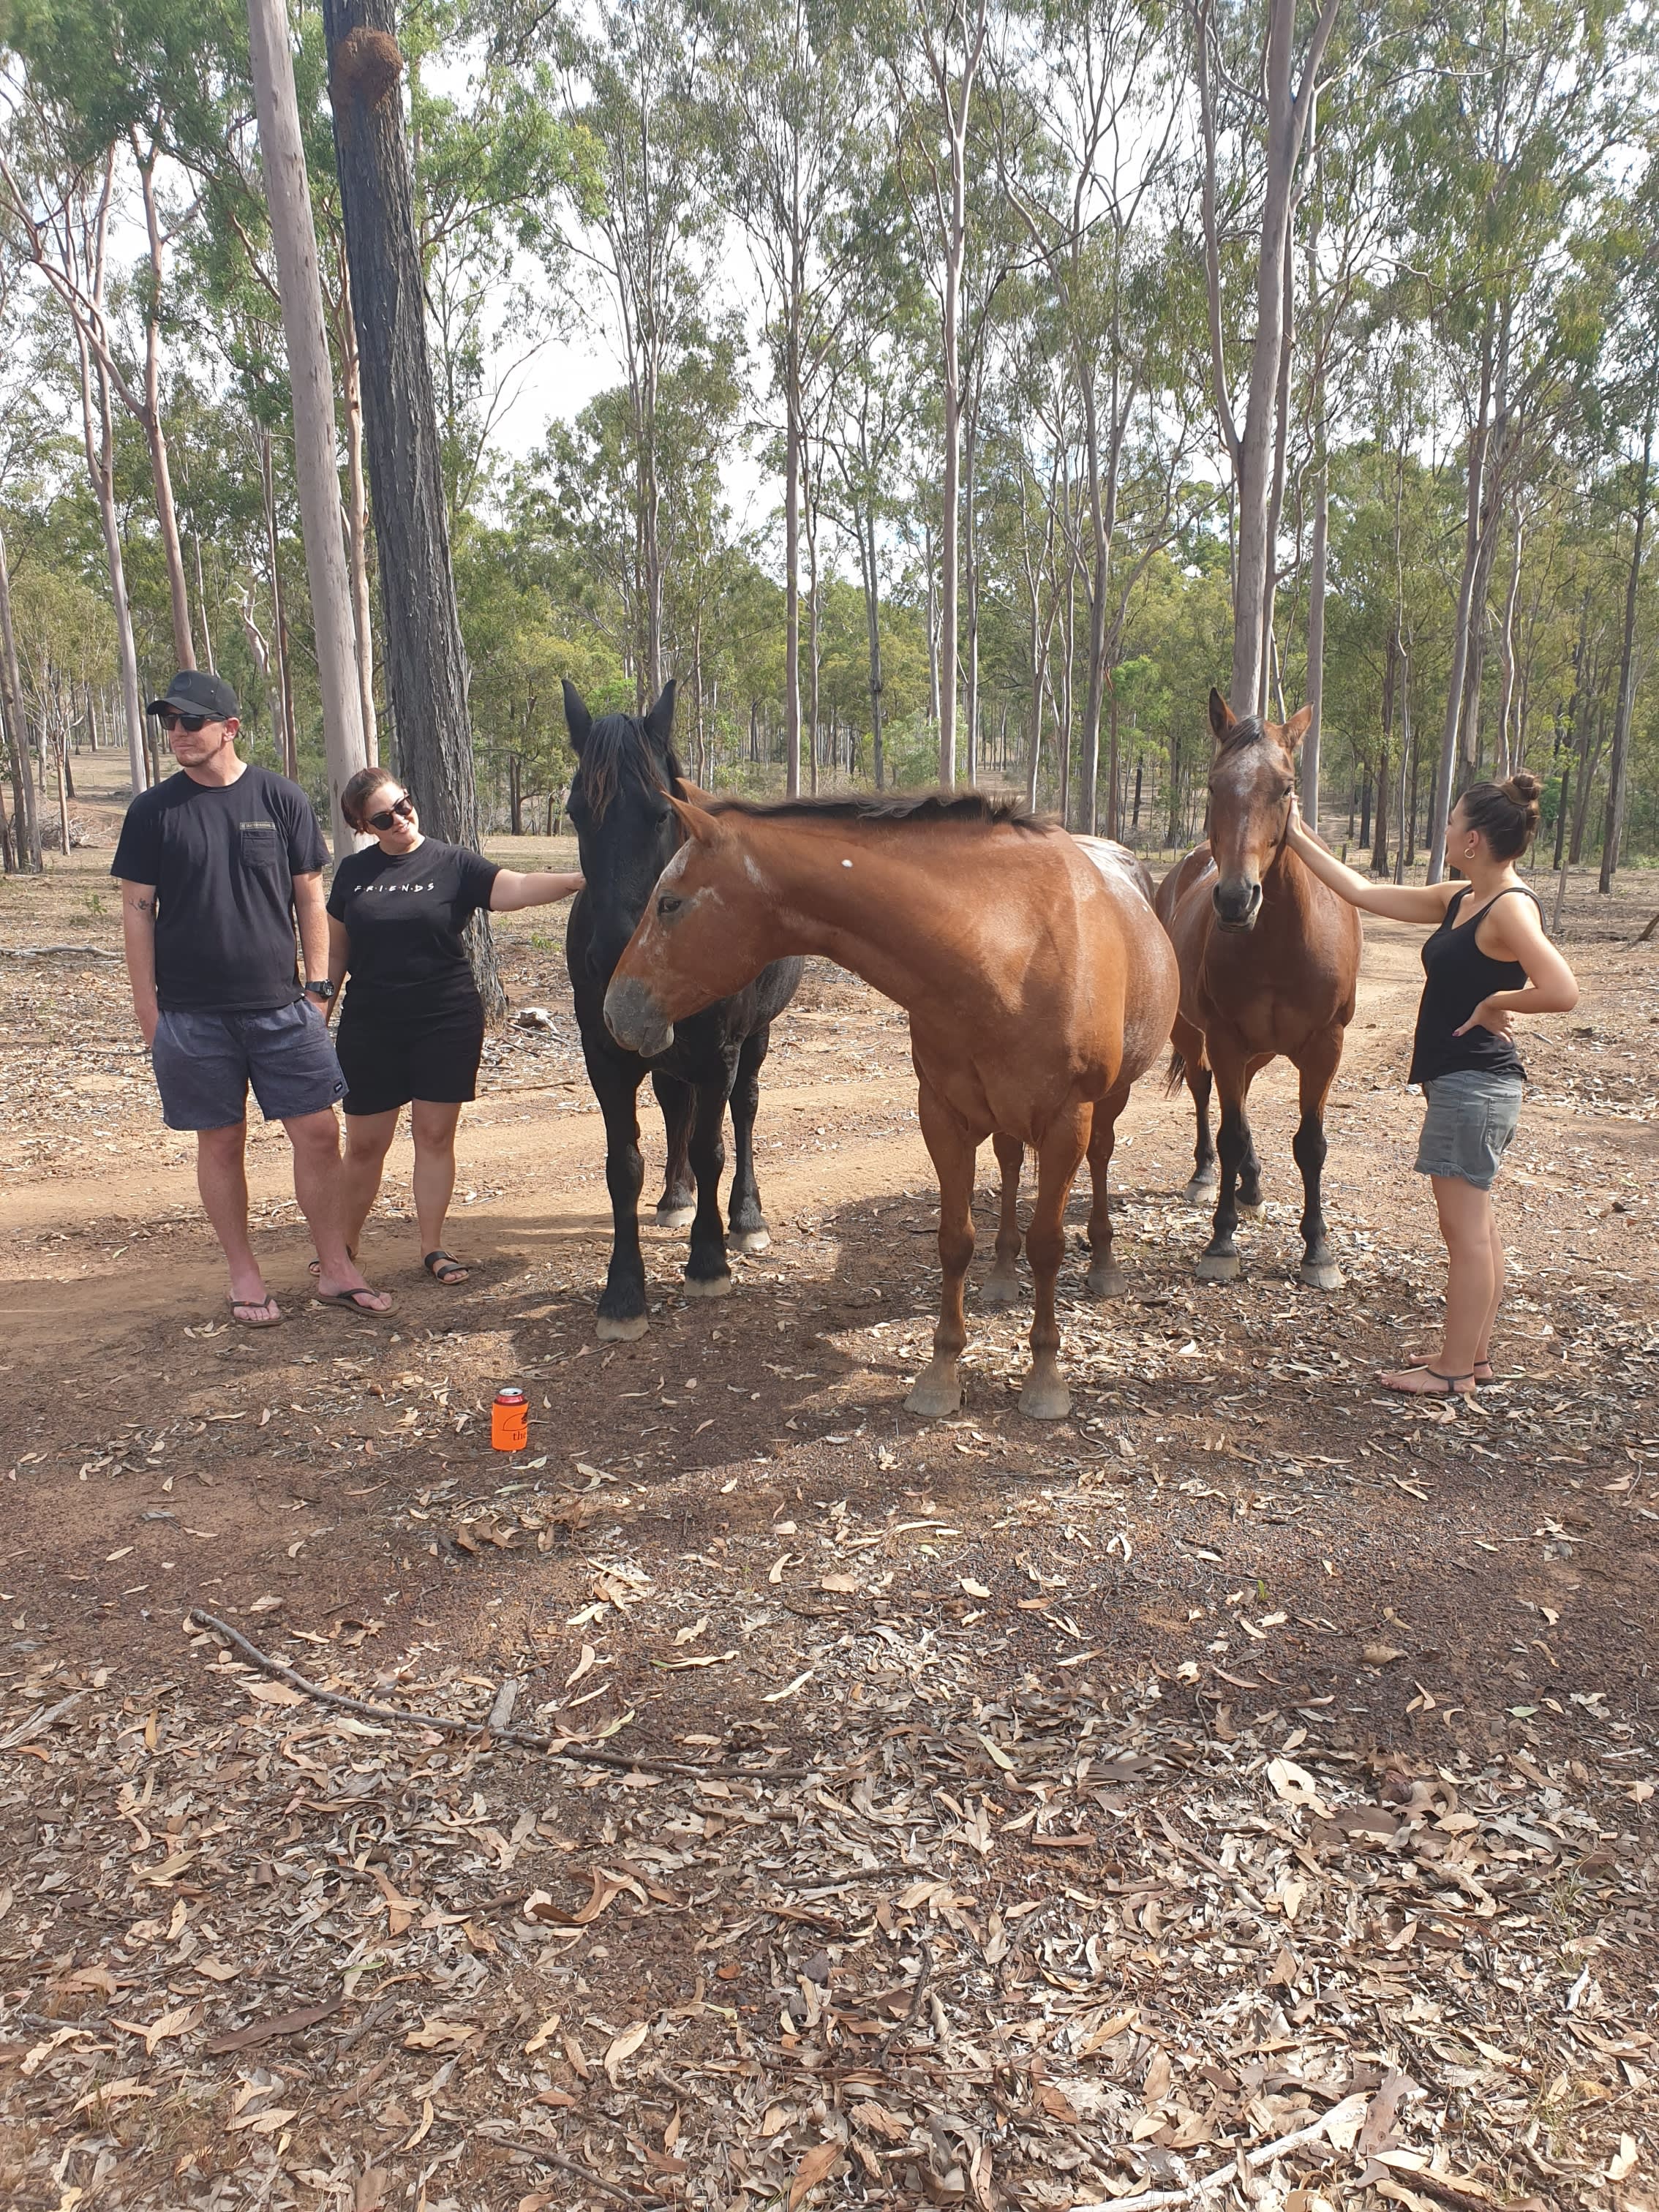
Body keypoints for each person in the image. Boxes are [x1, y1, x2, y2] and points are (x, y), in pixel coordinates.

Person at [112, 670, 394, 1325]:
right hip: (190, 1015)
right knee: (221, 1143)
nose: (178, 733)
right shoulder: (153, 811)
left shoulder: (280, 797)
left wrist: (319, 989)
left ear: (230, 728)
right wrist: (148, 1011)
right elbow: (136, 911)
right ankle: (244, 1274)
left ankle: (336, 1269)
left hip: (282, 1007)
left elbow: (309, 898)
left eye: (191, 721)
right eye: (170, 722)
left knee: (319, 1134)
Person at [1283, 772, 1579, 1396]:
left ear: (1472, 839)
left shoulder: (1509, 906)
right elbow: (1361, 891)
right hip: (1464, 1085)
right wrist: (1294, 830)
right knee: (1480, 1228)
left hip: (1477, 1086)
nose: (1443, 831)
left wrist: (1497, 1001)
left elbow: (1562, 989)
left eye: (1450, 822)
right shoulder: (1462, 898)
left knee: (1465, 1235)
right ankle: (1474, 1355)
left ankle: (1452, 1371)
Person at [323, 767, 584, 1284]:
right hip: (371, 1025)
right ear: (364, 826)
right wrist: (317, 1019)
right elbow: (335, 956)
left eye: (403, 804)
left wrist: (577, 880)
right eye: (384, 818)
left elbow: (517, 887)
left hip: (445, 1020)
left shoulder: (453, 863)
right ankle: (343, 1248)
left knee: (434, 1136)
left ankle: (433, 1247)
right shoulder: (352, 873)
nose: (401, 819)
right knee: (365, 1145)